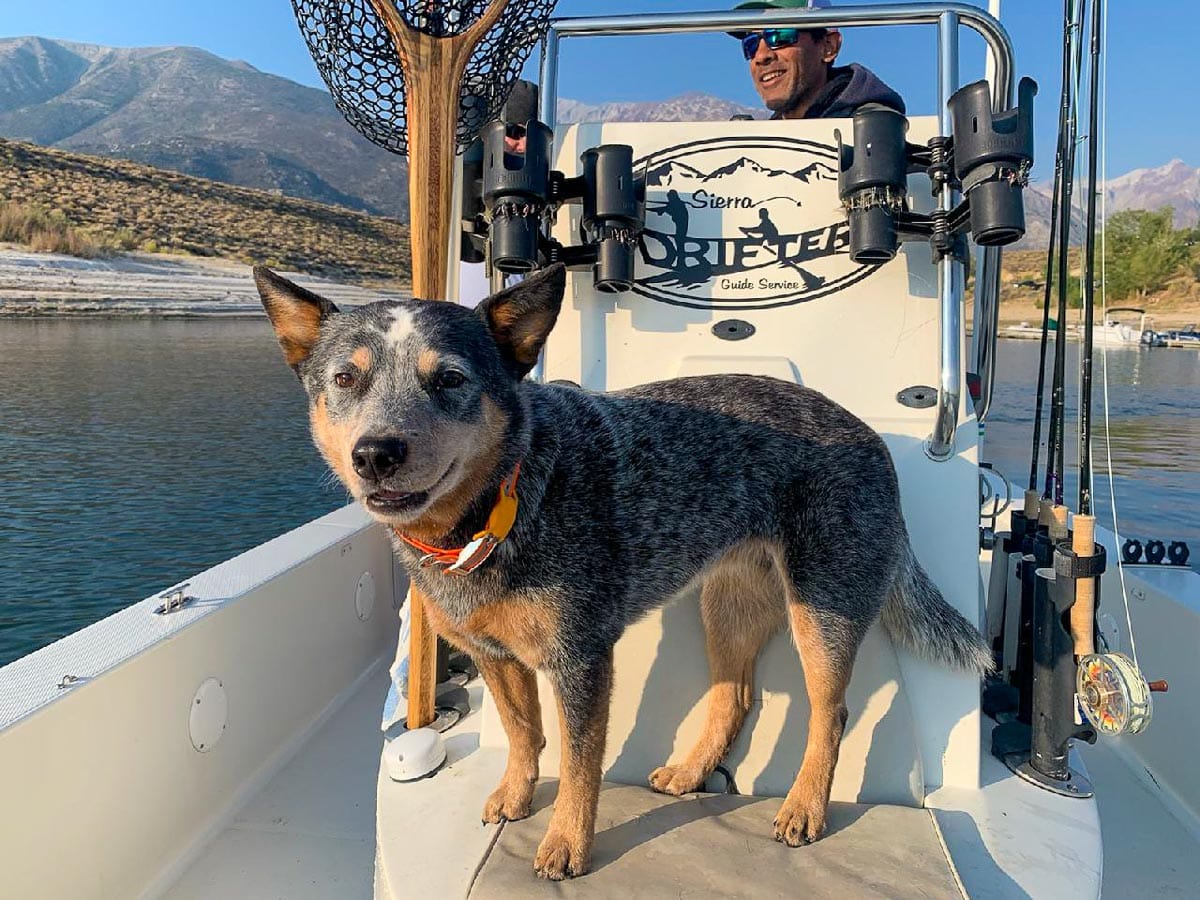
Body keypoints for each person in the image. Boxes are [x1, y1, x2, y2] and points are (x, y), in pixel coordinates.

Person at [731, 0, 904, 119]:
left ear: (829, 47)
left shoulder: (878, 132)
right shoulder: (759, 148)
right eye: (750, 44)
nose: (761, 56)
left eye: (780, 35)